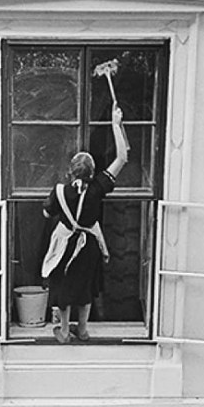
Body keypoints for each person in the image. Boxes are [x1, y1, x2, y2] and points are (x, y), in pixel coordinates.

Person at [40, 103, 130, 343]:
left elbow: (47, 214)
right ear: (92, 172)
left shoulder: (59, 191)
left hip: (67, 245)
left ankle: (63, 331)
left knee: (64, 288)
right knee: (85, 287)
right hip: (88, 245)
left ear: (71, 172)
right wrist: (115, 123)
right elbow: (122, 157)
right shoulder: (99, 187)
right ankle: (82, 330)